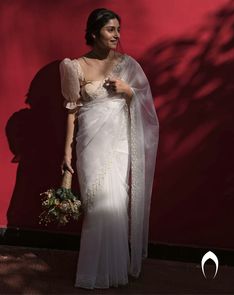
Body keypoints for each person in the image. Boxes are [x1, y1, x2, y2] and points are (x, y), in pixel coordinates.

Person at [59, 8, 159, 289]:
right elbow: (71, 111)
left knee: (115, 203)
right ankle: (90, 274)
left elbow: (145, 105)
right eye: (110, 30)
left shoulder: (128, 65)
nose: (117, 35)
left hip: (118, 144)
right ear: (93, 33)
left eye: (118, 29)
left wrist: (129, 92)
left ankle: (114, 272)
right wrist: (66, 153)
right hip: (90, 142)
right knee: (95, 204)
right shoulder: (74, 67)